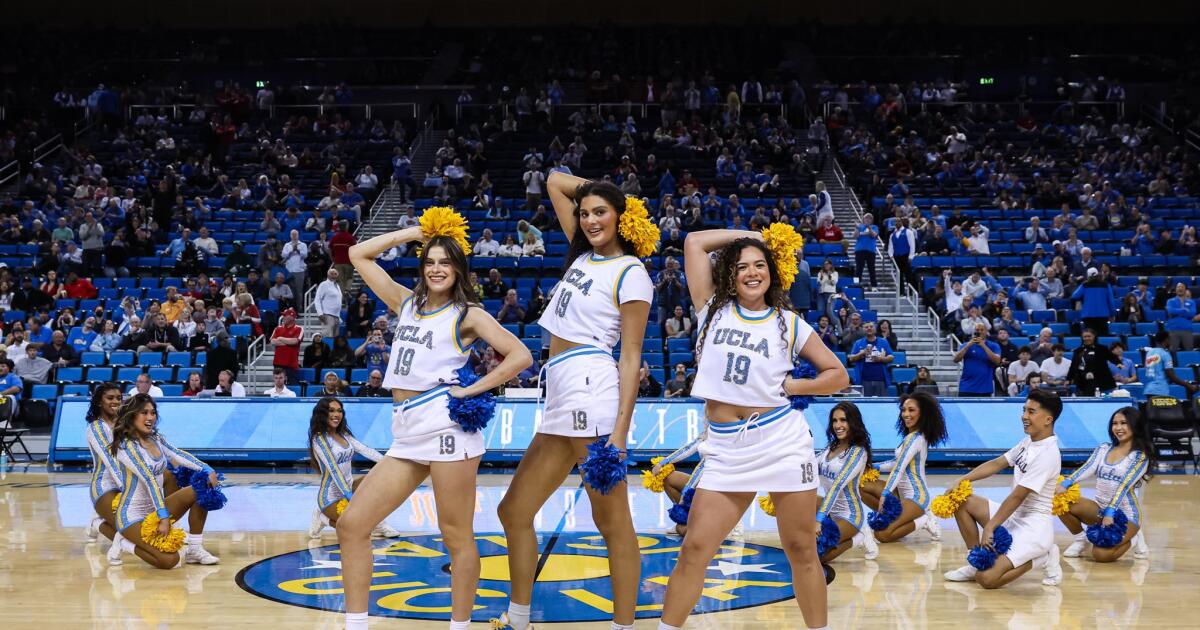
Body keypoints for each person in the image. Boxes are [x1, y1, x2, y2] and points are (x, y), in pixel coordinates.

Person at [338, 212, 532, 630]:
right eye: (430, 261)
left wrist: (472, 389)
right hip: (406, 429)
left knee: (455, 535)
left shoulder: (469, 315)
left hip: (447, 428)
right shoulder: (405, 302)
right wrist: (417, 233)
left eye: (445, 262)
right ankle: (355, 623)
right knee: (353, 524)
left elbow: (521, 355)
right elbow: (357, 254)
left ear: (459, 270)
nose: (437, 269)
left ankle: (458, 626)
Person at [657, 227, 849, 630]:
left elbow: (837, 374)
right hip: (727, 449)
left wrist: (797, 385)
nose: (751, 272)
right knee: (694, 548)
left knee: (800, 547)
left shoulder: (789, 323)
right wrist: (757, 236)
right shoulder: (711, 308)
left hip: (782, 440)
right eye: (742, 266)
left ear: (772, 272)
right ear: (730, 273)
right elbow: (694, 242)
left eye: (760, 264)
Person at [495, 173, 654, 630]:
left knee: (612, 523)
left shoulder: (631, 272)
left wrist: (620, 434)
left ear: (621, 217)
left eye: (601, 211)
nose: (589, 220)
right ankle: (519, 618)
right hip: (560, 391)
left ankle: (624, 625)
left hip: (593, 389)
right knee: (514, 510)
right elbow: (553, 181)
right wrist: (599, 195)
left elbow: (630, 357)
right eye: (584, 213)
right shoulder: (582, 255)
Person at [943, 389, 1064, 588]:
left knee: (987, 580)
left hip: (1033, 528)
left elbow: (1018, 496)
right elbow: (998, 463)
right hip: (1013, 517)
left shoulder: (1048, 454)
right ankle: (976, 561)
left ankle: (1043, 556)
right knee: (962, 500)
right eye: (1024, 410)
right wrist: (964, 479)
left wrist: (990, 527)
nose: (1024, 416)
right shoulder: (1028, 442)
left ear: (1048, 419)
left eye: (1031, 412)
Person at [107, 393, 221, 568]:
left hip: (155, 508)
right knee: (170, 561)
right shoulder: (126, 447)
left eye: (152, 413)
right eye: (144, 413)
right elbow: (149, 480)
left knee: (202, 485)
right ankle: (125, 542)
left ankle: (195, 549)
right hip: (132, 516)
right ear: (131, 416)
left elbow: (177, 454)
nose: (150, 417)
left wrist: (206, 468)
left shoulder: (156, 438)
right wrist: (164, 518)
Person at [1057, 407, 1152, 561]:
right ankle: (1081, 540)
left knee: (1101, 555)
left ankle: (1134, 538)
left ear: (1135, 425)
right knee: (1060, 502)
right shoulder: (1104, 448)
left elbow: (1124, 485)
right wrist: (1067, 483)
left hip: (1126, 515)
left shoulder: (1139, 457)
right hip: (1099, 510)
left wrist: (1111, 512)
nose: (1118, 428)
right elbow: (1088, 467)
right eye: (1115, 423)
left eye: (1124, 423)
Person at [860, 392, 947, 543]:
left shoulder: (916, 439)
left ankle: (924, 520)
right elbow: (895, 462)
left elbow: (899, 468)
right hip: (901, 495)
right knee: (862, 485)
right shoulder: (910, 437)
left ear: (922, 413)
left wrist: (885, 494)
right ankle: (896, 520)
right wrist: (870, 467)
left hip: (916, 498)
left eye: (911, 410)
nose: (906, 414)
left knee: (882, 535)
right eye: (904, 410)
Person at [307, 397, 397, 539]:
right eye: (331, 411)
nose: (336, 414)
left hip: (350, 488)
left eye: (339, 411)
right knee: (356, 529)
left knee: (378, 474)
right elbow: (334, 470)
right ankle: (322, 518)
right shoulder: (319, 440)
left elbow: (365, 450)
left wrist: (388, 462)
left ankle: (378, 523)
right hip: (330, 498)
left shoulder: (344, 435)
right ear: (322, 413)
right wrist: (349, 496)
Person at [815, 402, 879, 561]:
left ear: (852, 422)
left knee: (816, 557)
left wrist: (818, 520)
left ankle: (859, 537)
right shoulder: (831, 447)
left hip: (849, 516)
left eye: (843, 420)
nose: (838, 425)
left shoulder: (857, 452)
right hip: (830, 511)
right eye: (835, 421)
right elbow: (810, 466)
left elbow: (836, 487)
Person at [83, 384, 123, 547]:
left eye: (119, 398)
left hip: (127, 481)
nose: (116, 401)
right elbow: (111, 460)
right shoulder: (96, 428)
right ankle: (96, 524)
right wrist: (127, 487)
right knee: (130, 535)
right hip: (105, 485)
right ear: (99, 402)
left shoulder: (125, 424)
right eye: (110, 398)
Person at [1143, 332, 1198, 398]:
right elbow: (1172, 377)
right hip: (1160, 391)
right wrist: (1189, 386)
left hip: (1149, 390)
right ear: (1166, 340)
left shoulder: (1149, 353)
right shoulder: (1165, 354)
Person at [955, 322, 1001, 396]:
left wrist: (983, 346)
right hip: (966, 387)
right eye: (977, 330)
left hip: (984, 388)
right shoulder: (966, 345)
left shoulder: (994, 346)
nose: (979, 332)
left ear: (986, 331)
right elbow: (956, 359)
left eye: (982, 330)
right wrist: (967, 346)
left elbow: (997, 361)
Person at [848, 321, 893, 396]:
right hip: (864, 380)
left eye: (871, 327)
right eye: (866, 327)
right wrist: (861, 353)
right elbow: (851, 359)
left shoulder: (883, 342)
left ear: (875, 328)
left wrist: (881, 359)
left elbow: (891, 357)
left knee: (881, 405)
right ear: (863, 329)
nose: (869, 328)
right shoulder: (858, 343)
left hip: (881, 380)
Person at [1068, 328, 1117, 396]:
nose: (1087, 338)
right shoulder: (1078, 351)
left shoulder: (1102, 348)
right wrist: (1068, 379)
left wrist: (1118, 363)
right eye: (1085, 336)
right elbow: (1073, 366)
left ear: (1094, 336)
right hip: (1083, 381)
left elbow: (1111, 357)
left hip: (1100, 380)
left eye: (1089, 336)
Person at [1071, 268, 1115, 335]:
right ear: (1098, 274)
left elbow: (1074, 296)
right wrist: (1112, 314)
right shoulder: (1106, 285)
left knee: (1090, 337)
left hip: (1088, 315)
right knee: (1102, 337)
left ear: (1088, 276)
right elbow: (1111, 301)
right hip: (1102, 315)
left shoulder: (1085, 285)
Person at [270, 308, 303, 384]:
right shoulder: (278, 328)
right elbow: (273, 341)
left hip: (291, 363)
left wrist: (281, 338)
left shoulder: (298, 329)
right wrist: (288, 342)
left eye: (285, 315)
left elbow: (295, 341)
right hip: (278, 362)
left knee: (293, 386)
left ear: (292, 317)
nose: (283, 317)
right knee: (278, 385)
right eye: (283, 315)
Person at [1165, 282, 1197, 351]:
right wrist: (1183, 310)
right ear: (1176, 290)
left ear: (1185, 289)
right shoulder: (1170, 301)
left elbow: (1192, 313)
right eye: (1178, 287)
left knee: (1189, 351)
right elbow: (1170, 311)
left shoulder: (1191, 302)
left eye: (1182, 287)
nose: (1180, 288)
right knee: (1172, 351)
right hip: (1173, 329)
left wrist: (1176, 312)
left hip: (1187, 330)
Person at [315, 268, 344, 338]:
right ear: (328, 275)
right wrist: (320, 313)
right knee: (328, 337)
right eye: (332, 273)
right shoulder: (324, 284)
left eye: (335, 274)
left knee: (335, 338)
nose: (334, 275)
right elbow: (317, 299)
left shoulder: (337, 286)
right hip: (327, 315)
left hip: (336, 315)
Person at [888, 218, 916, 289]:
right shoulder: (892, 235)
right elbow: (890, 247)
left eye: (899, 221)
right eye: (896, 222)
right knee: (898, 275)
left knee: (908, 274)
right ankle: (901, 291)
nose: (897, 223)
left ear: (902, 222)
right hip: (896, 257)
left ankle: (910, 291)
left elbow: (912, 245)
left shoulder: (908, 232)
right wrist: (891, 256)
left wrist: (911, 256)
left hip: (906, 256)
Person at [853, 214, 879, 285]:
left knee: (871, 269)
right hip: (859, 251)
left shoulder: (875, 227)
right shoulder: (859, 227)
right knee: (858, 269)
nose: (867, 220)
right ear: (863, 220)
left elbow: (874, 235)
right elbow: (855, 236)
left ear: (872, 220)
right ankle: (855, 285)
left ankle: (874, 286)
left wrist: (869, 228)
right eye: (866, 218)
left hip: (870, 251)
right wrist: (857, 228)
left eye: (869, 218)